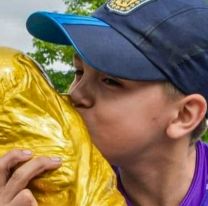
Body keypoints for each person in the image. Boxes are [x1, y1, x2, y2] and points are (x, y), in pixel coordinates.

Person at [1, 0, 208, 205]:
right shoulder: (31, 187)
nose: (74, 93)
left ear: (184, 115)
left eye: (111, 81)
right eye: (79, 71)